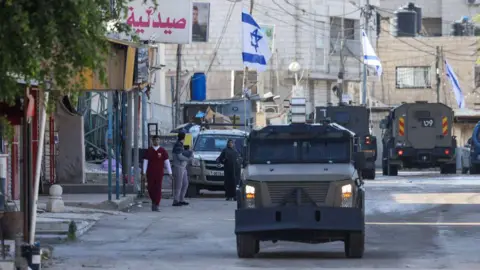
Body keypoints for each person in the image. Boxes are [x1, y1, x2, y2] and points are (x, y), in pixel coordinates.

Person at [142, 135, 172, 212]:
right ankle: (153, 201)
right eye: (155, 140)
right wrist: (144, 173)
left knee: (158, 188)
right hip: (150, 173)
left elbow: (167, 162)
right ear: (152, 141)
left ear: (159, 141)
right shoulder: (149, 151)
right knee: (150, 188)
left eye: (158, 140)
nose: (156, 141)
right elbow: (145, 162)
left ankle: (157, 204)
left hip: (159, 173)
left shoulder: (163, 151)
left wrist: (170, 172)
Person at [172, 132, 193, 206]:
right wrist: (188, 159)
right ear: (184, 137)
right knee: (178, 184)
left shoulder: (180, 144)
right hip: (178, 166)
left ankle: (181, 199)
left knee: (185, 183)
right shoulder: (178, 145)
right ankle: (176, 200)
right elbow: (179, 157)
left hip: (182, 167)